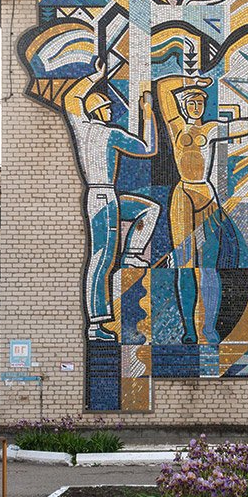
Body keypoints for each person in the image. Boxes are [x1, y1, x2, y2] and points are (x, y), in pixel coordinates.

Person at [155, 74, 248, 344]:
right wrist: (194, 81)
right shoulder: (176, 127)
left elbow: (247, 124)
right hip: (182, 196)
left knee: (208, 268)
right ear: (183, 106)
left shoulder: (210, 130)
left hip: (205, 195)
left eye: (200, 103)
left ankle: (209, 329)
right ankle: (189, 329)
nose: (195, 107)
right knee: (185, 266)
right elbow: (163, 87)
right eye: (190, 102)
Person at [62, 59, 160, 342]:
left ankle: (132, 254)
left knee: (148, 209)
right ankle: (95, 325)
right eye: (107, 108)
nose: (110, 111)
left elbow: (72, 98)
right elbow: (148, 148)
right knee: (102, 260)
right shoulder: (109, 133)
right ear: (100, 111)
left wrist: (95, 76)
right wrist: (147, 114)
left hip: (104, 197)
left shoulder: (81, 127)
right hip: (104, 198)